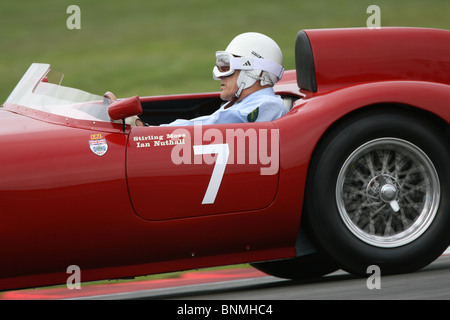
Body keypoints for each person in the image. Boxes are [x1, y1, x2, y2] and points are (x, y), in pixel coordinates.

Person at [162, 32, 287, 126]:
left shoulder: (269, 105)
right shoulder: (237, 104)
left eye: (227, 67)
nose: (219, 75)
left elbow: (219, 121)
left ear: (255, 72)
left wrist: (155, 131)